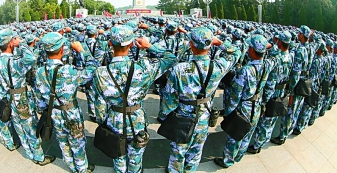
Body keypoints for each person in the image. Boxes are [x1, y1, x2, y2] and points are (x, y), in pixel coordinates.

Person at [92, 25, 177, 173]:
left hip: (114, 120)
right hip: (136, 120)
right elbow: (171, 58)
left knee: (117, 156)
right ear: (131, 44)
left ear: (110, 44)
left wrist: (102, 122)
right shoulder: (144, 67)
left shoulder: (100, 73)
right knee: (136, 158)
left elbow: (99, 103)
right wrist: (149, 46)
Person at [159, 27, 241, 172]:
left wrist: (166, 116)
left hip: (181, 118)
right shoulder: (217, 66)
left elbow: (169, 100)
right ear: (210, 45)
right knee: (195, 153)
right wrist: (219, 43)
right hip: (203, 117)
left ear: (191, 45)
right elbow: (236, 52)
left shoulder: (179, 69)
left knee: (178, 153)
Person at [35, 32, 96, 172]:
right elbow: (93, 70)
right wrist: (82, 50)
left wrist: (44, 110)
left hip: (54, 113)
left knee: (63, 142)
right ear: (62, 49)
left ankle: (71, 167)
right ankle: (82, 169)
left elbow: (39, 99)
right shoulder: (69, 70)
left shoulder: (39, 72)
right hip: (71, 113)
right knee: (77, 142)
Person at [214, 34, 278, 168]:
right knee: (247, 133)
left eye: (250, 47)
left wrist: (229, 112)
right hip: (257, 104)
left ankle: (227, 160)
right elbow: (277, 52)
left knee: (235, 135)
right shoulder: (267, 64)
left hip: (244, 107)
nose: (248, 49)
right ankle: (239, 156)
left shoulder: (245, 71)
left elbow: (235, 95)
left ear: (253, 50)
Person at [0, 28, 55, 165]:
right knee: (31, 128)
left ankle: (29, 152)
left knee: (19, 128)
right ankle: (39, 157)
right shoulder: (14, 62)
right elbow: (31, 58)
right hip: (21, 99)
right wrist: (21, 44)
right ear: (10, 43)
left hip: (9, 100)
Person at [248, 31, 293, 153]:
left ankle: (257, 145)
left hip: (272, 93)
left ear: (279, 42)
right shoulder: (290, 56)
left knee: (266, 120)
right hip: (282, 91)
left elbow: (270, 82)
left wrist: (264, 101)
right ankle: (262, 140)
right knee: (272, 119)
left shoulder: (276, 59)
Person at [271, 25, 312, 145]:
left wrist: (290, 90)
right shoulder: (309, 48)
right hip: (304, 82)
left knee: (290, 111)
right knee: (297, 109)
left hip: (298, 84)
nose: (298, 34)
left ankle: (282, 136)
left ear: (302, 35)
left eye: (299, 33)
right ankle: (291, 129)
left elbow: (296, 72)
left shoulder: (299, 50)